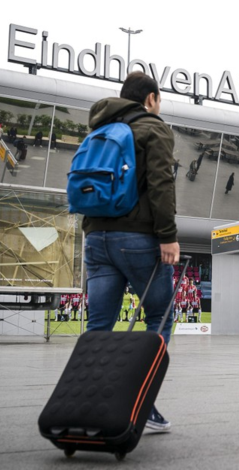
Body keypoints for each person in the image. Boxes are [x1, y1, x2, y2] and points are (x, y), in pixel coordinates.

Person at [83, 71, 179, 431]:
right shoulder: (153, 128)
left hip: (96, 238)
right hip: (137, 239)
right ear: (151, 98)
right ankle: (139, 403)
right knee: (159, 318)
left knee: (99, 326)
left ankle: (87, 401)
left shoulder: (98, 128)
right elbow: (161, 184)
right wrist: (167, 236)